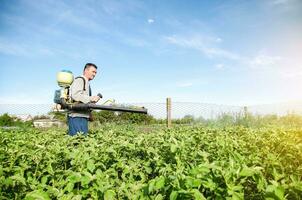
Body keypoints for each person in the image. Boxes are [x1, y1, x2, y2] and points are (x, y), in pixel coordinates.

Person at [68, 63, 101, 136]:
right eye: (93, 72)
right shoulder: (80, 79)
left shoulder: (86, 83)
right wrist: (91, 98)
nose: (94, 74)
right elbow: (75, 95)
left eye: (95, 73)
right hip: (76, 117)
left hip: (83, 116)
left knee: (83, 141)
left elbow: (83, 100)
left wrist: (89, 113)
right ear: (86, 70)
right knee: (77, 141)